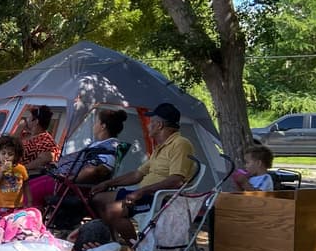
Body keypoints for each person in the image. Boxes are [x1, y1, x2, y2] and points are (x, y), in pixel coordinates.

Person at [88, 102, 197, 243]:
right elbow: (137, 175)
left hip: (160, 199)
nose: (148, 126)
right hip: (145, 194)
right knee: (98, 199)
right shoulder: (161, 147)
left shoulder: (181, 144)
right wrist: (107, 183)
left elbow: (176, 180)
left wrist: (141, 192)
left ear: (159, 125)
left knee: (112, 210)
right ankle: (113, 241)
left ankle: (136, 247)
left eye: (151, 122)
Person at [24, 107, 127, 210]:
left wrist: (69, 180)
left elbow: (96, 171)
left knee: (29, 192)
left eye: (96, 122)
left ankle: (31, 217)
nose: (94, 125)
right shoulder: (101, 144)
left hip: (71, 186)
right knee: (28, 185)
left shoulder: (110, 147)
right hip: (61, 178)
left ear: (103, 126)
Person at [0, 104, 60, 216]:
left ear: (35, 121)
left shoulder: (46, 141)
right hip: (2, 169)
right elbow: (5, 145)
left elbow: (46, 158)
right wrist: (19, 129)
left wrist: (21, 168)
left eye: (28, 118)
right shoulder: (24, 134)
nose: (26, 120)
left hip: (18, 174)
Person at [0, 135, 28, 218]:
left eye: (10, 154)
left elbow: (26, 185)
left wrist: (29, 202)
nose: (6, 156)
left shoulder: (21, 169)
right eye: (3, 153)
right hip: (1, 206)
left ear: (16, 156)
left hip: (18, 205)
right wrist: (1, 172)